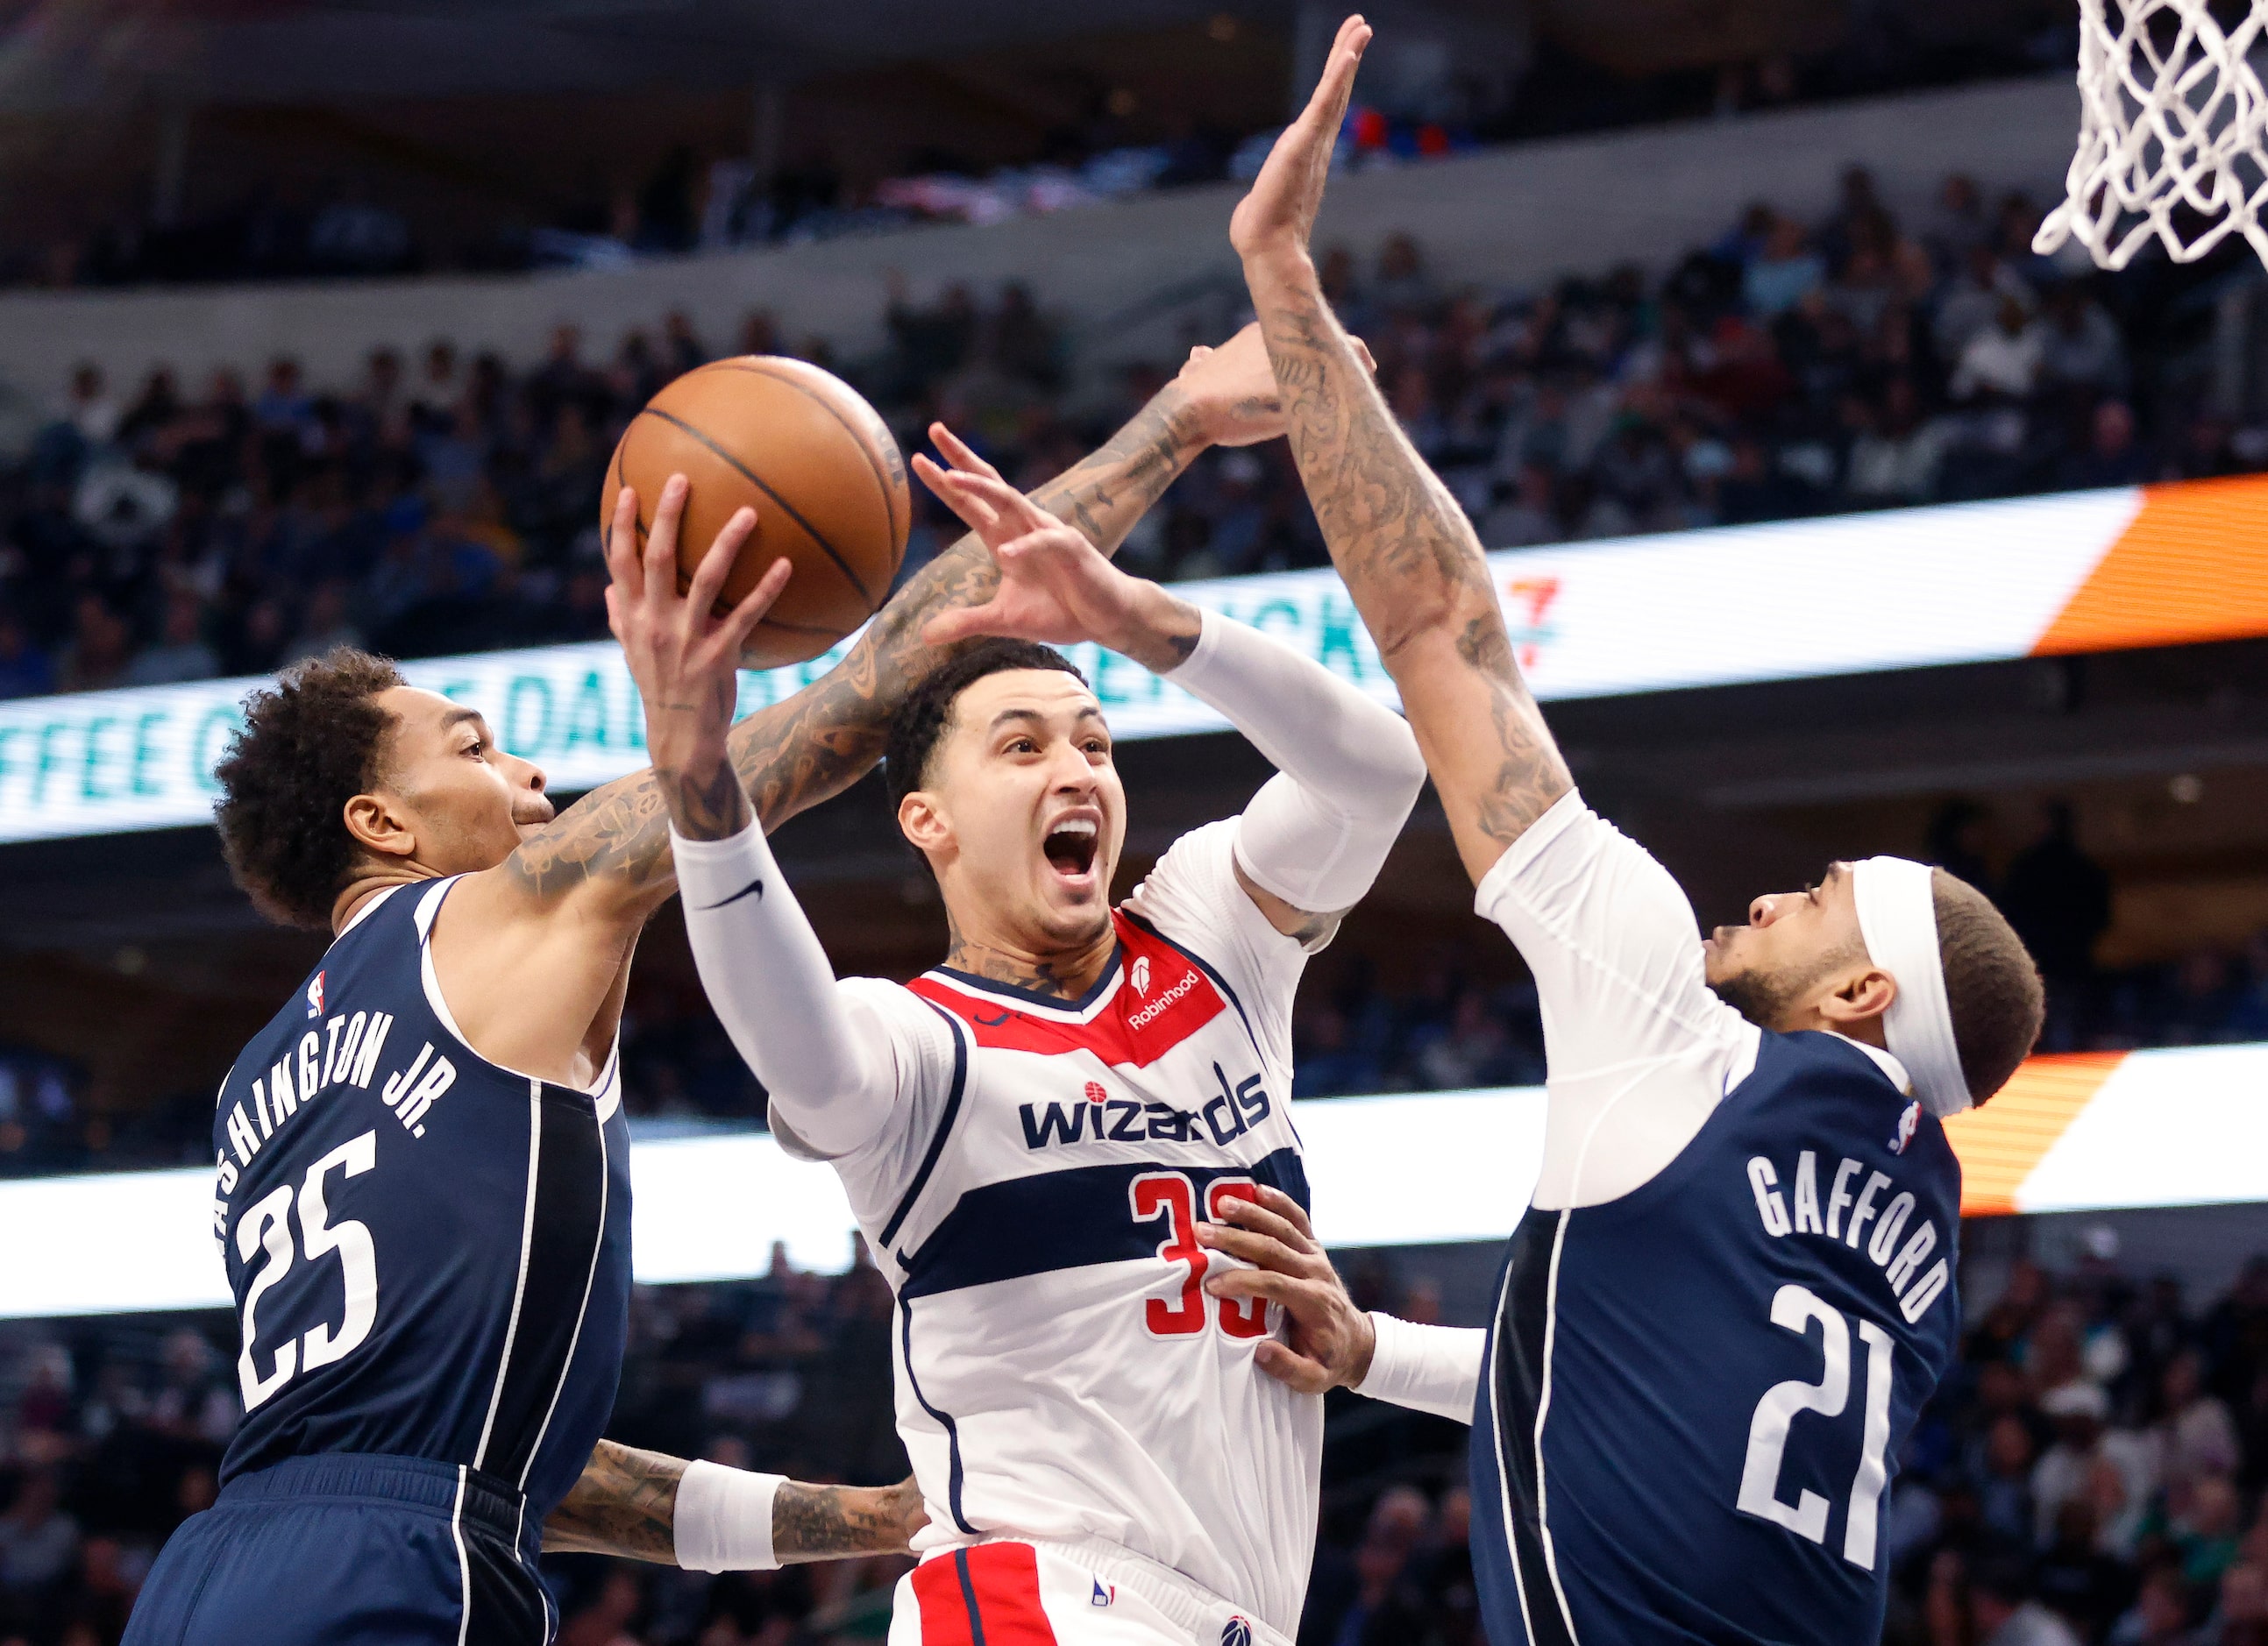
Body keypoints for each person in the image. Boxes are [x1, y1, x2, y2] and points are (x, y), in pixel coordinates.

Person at [121, 330, 1287, 1646]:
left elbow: (508, 1464)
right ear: (383, 822)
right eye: (472, 742)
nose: (524, 768)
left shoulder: (253, 1088)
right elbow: (875, 685)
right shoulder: (511, 905)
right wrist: (1175, 426)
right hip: (396, 1571)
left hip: (214, 1574)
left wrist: (852, 1517)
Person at [1198, 18, 2047, 1646]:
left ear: (1860, 994)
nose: (1767, 896)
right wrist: (1377, 1354)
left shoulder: (1682, 1029)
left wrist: (1284, 284)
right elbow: (1626, 1372)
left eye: (1815, 900)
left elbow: (1446, 627)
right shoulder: (1916, 1243)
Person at [638, 447, 1425, 1636]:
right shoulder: (912, 1042)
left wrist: (1136, 618)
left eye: (1096, 744)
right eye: (1023, 747)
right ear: (929, 820)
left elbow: (1379, 775)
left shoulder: (1214, 933)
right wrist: (703, 791)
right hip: (1041, 1599)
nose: (1077, 770)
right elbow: (795, 1044)